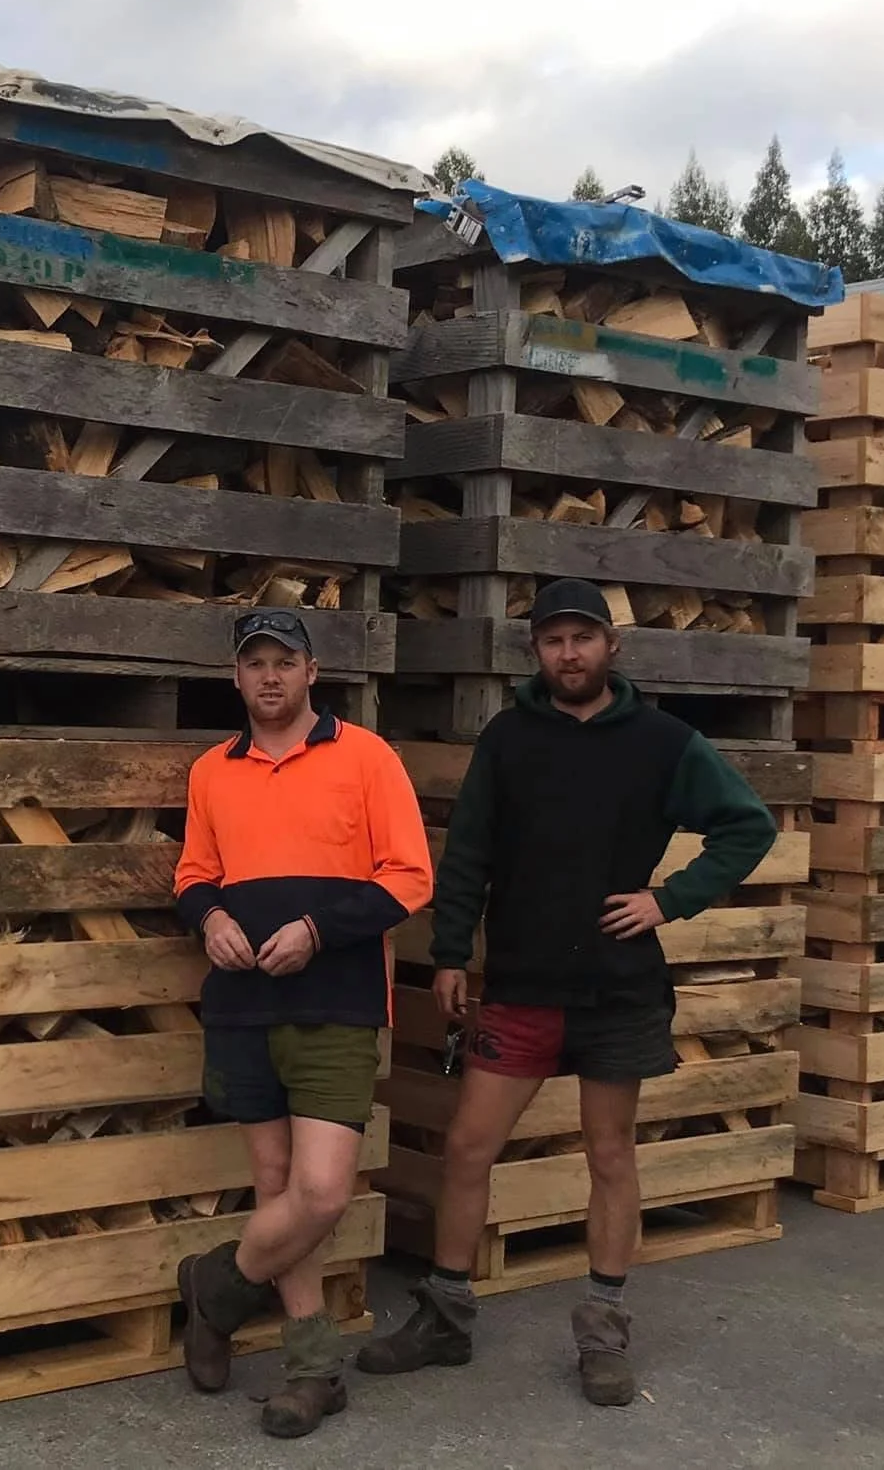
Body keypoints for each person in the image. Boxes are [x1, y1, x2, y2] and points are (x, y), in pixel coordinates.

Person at [356, 576, 776, 1405]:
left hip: (618, 990)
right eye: (554, 640)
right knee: (470, 1146)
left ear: (612, 648)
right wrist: (449, 953)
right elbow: (469, 851)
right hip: (520, 985)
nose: (569, 652)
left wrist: (670, 898)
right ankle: (445, 1314)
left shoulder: (662, 741)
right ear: (537, 651)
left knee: (610, 1154)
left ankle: (604, 1330)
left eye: (584, 638)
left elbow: (747, 825)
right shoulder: (509, 740)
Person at [172, 609, 434, 1439]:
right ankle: (313, 1367)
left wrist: (321, 930)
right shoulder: (213, 770)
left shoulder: (367, 757)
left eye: (286, 661)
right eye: (256, 664)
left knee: (320, 1194)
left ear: (314, 671)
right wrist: (208, 917)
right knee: (279, 1189)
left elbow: (410, 877)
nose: (271, 677)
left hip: (339, 1001)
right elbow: (192, 872)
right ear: (237, 678)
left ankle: (214, 1289)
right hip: (244, 1004)